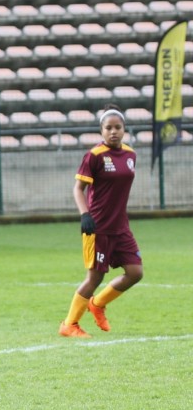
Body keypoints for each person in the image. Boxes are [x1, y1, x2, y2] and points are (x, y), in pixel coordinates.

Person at [58, 104, 142, 338]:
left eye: (118, 127)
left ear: (124, 129)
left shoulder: (130, 155)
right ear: (101, 131)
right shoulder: (94, 156)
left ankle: (98, 304)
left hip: (120, 226)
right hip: (98, 226)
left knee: (135, 273)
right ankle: (69, 324)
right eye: (108, 128)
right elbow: (78, 188)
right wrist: (85, 214)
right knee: (95, 277)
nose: (113, 131)